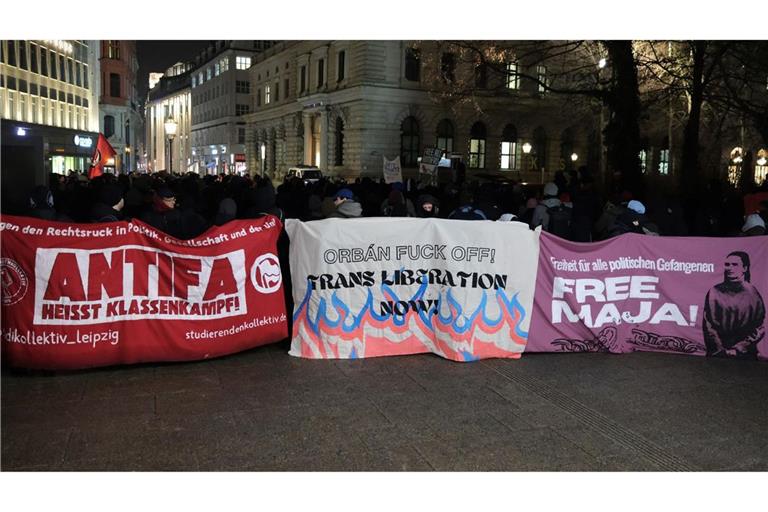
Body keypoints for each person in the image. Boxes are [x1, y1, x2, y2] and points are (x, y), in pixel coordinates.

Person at [702, 251, 765, 359]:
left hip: (746, 356)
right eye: (727, 264)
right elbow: (708, 324)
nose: (729, 268)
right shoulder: (714, 291)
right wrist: (720, 350)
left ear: (744, 268)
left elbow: (761, 326)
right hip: (718, 355)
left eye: (734, 264)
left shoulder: (753, 293)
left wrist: (739, 348)